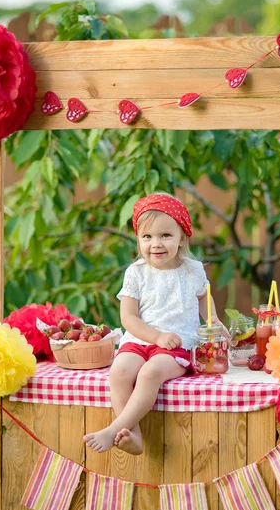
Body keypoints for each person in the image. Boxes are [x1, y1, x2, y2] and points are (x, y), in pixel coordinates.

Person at [83, 192, 227, 455]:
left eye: (165, 236)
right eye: (147, 237)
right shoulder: (136, 273)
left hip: (177, 342)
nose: (156, 244)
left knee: (150, 374)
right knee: (119, 372)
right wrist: (156, 336)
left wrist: (215, 323)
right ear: (138, 239)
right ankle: (133, 435)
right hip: (141, 339)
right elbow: (128, 318)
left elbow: (205, 300)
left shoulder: (192, 270)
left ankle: (114, 429)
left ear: (182, 237)